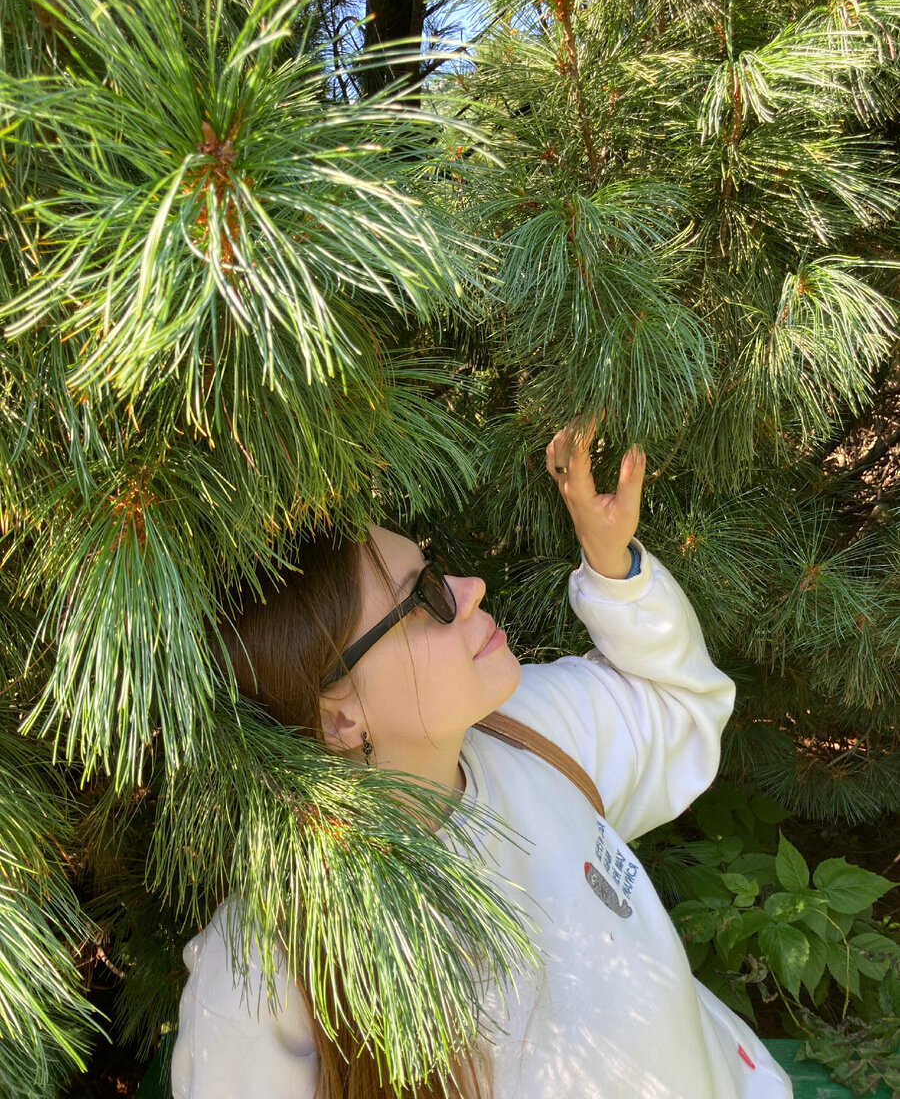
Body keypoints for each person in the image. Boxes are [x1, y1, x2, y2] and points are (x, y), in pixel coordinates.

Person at [171, 427, 793, 1099]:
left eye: (439, 569)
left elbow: (675, 711)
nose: (471, 587)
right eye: (427, 599)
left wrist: (615, 572)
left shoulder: (524, 733)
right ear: (339, 716)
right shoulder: (260, 973)